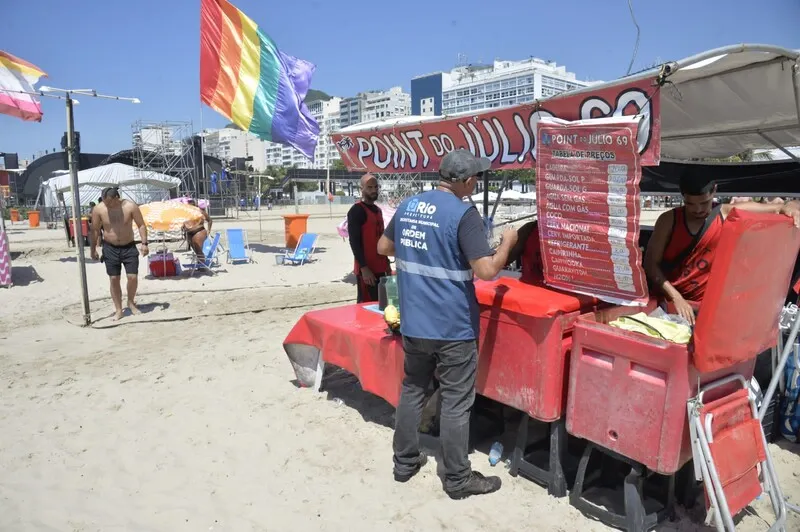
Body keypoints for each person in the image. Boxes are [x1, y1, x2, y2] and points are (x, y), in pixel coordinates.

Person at [377, 149, 518, 500]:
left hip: (413, 321)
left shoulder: (409, 205)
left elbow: (384, 246)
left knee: (412, 390)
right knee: (456, 402)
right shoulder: (463, 213)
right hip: (452, 325)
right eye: (476, 178)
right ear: (467, 181)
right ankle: (457, 479)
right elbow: (485, 270)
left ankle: (404, 463)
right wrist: (508, 246)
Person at [644, 177, 800, 325]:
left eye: (704, 203)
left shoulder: (725, 213)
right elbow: (651, 265)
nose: (698, 210)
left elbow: (778, 208)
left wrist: (792, 205)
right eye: (690, 204)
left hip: (705, 307)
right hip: (668, 302)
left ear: (714, 191)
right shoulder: (669, 220)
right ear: (683, 196)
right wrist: (676, 297)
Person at [90, 187, 149, 321]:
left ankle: (131, 302)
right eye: (104, 202)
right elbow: (95, 230)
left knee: (132, 277)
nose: (107, 205)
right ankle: (118, 309)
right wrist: (93, 248)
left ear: (117, 198)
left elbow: (141, 225)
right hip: (110, 247)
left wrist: (144, 243)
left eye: (109, 202)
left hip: (129, 246)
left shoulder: (130, 206)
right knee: (114, 279)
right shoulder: (99, 209)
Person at [347, 174, 391, 302]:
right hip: (367, 270)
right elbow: (354, 242)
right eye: (369, 187)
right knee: (367, 305)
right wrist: (364, 268)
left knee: (383, 304)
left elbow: (380, 237)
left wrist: (387, 262)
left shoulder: (378, 210)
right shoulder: (357, 211)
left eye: (376, 187)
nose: (373, 190)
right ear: (362, 189)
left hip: (381, 267)